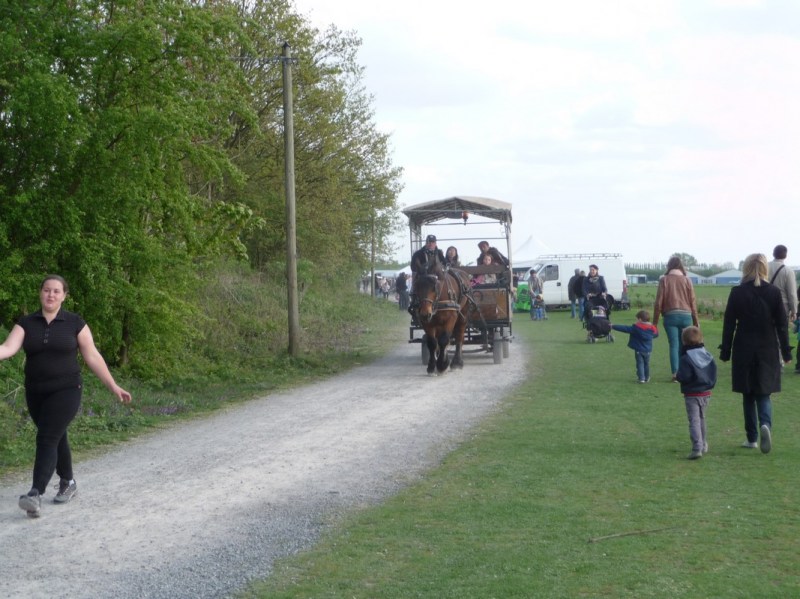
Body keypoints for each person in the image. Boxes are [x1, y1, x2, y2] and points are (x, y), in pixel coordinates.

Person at [0, 275, 132, 518]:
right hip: (36, 391)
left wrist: (113, 386)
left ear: (64, 296)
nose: (51, 295)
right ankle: (68, 482)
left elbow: (92, 356)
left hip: (67, 390)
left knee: (47, 437)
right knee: (56, 437)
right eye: (47, 290)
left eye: (56, 291)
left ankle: (34, 494)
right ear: (40, 293)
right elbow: (8, 348)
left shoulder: (75, 323)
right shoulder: (26, 323)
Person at [720, 253, 792, 454]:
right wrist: (786, 352)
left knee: (748, 394)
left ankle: (751, 438)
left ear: (746, 268)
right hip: (767, 347)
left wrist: (725, 350)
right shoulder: (774, 293)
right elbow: (782, 326)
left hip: (743, 346)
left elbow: (729, 324)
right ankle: (766, 425)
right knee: (764, 393)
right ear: (764, 269)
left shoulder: (737, 292)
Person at [652, 256, 699, 381]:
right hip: (686, 316)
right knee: (686, 344)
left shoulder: (664, 280)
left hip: (670, 316)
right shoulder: (687, 280)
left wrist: (654, 323)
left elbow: (658, 303)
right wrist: (696, 321)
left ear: (669, 266)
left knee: (674, 345)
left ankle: (675, 374)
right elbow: (693, 301)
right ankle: (687, 371)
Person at [676, 326, 717, 460]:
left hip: (692, 394)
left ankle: (696, 447)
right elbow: (713, 373)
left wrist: (678, 376)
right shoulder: (707, 355)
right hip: (706, 392)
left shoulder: (685, 358)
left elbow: (685, 376)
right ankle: (703, 443)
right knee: (702, 418)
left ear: (684, 342)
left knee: (694, 420)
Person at [611, 310, 659, 383]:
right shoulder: (652, 328)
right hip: (648, 350)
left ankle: (641, 378)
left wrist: (613, 326)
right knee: (646, 364)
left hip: (639, 350)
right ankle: (646, 377)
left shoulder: (636, 328)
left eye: (636, 319)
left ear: (640, 319)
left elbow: (624, 328)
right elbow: (656, 334)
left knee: (640, 364)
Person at [767, 244, 797, 326]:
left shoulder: (764, 267)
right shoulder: (788, 271)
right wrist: (794, 311)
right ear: (785, 255)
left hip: (764, 304)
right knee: (780, 333)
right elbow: (792, 293)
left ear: (773, 254)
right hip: (782, 306)